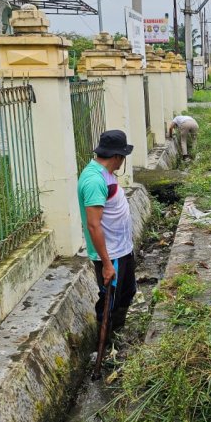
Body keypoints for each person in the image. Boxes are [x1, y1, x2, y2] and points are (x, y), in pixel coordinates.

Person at [77, 129, 136, 336]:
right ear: (117, 156)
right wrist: (107, 264)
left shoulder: (106, 174)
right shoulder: (94, 180)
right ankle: (104, 347)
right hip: (111, 254)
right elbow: (93, 225)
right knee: (109, 303)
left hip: (123, 249)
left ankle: (117, 335)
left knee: (127, 293)